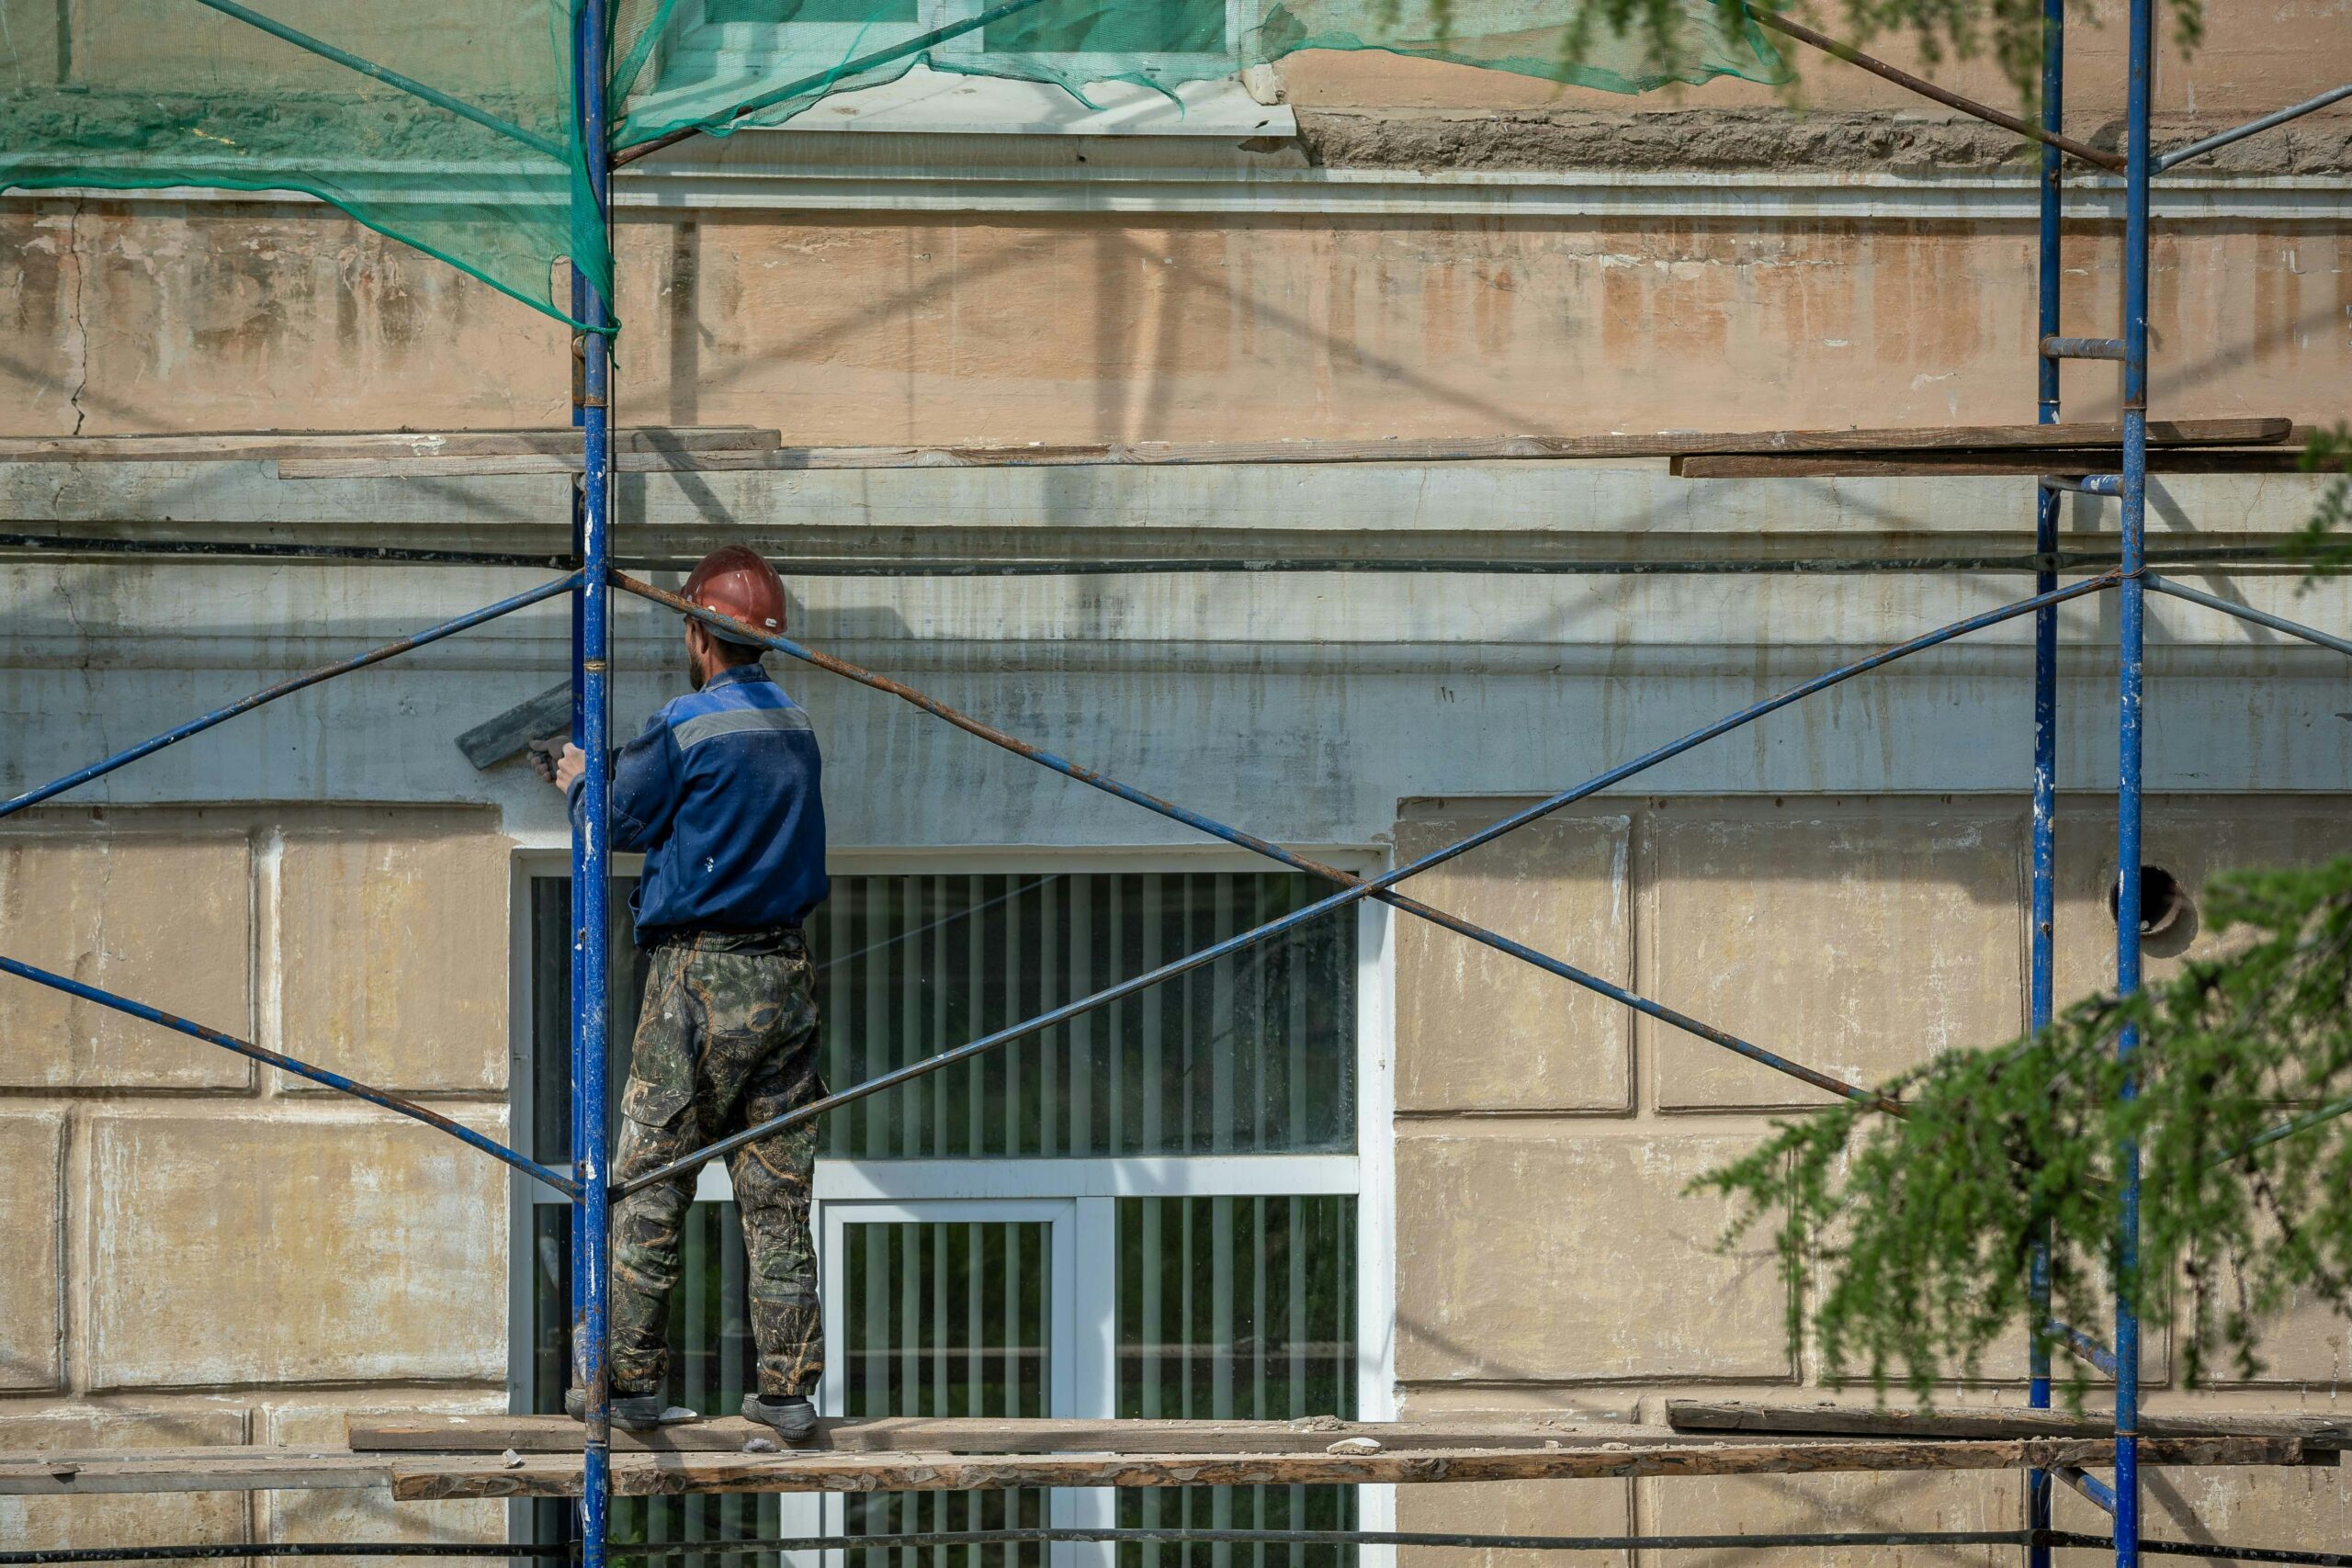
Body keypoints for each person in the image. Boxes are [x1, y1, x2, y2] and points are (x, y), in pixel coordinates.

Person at [550, 544, 829, 1441]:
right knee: (777, 1196)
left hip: (698, 978)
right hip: (784, 979)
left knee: (648, 1181)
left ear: (697, 635)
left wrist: (576, 784)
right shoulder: (799, 728)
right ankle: (785, 1392)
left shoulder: (686, 722)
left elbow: (618, 821)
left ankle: (626, 1384)